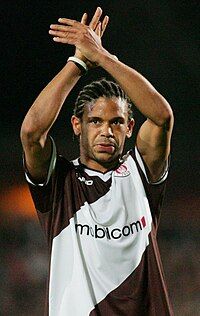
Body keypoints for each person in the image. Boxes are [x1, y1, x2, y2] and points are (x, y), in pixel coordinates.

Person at [20, 7, 174, 316]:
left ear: (130, 128)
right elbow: (32, 132)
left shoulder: (140, 172)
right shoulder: (60, 184)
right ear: (77, 125)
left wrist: (102, 56)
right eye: (95, 121)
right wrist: (78, 63)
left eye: (117, 122)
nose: (106, 131)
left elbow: (161, 117)